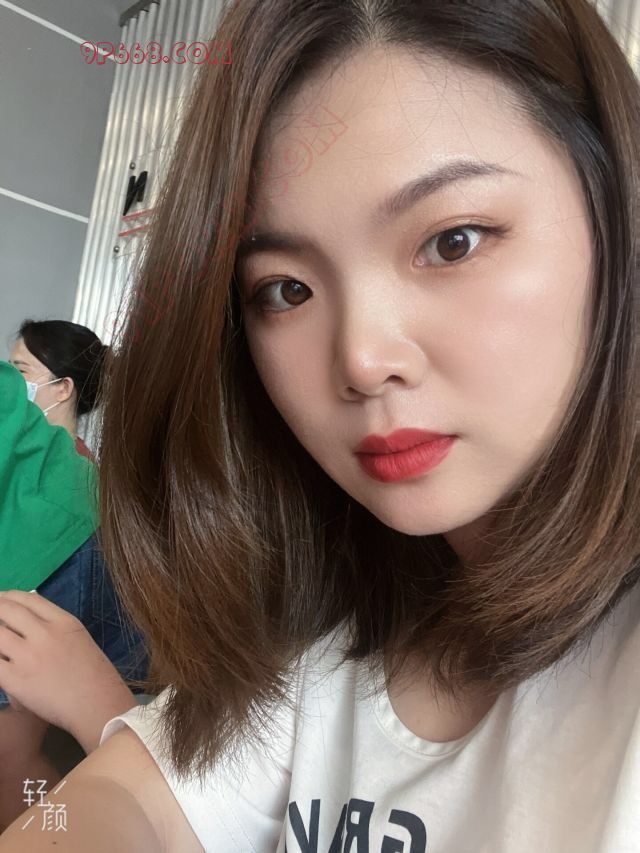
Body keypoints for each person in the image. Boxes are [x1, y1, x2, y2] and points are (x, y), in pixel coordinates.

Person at [2, 0, 639, 849]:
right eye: (286, 289)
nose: (362, 359)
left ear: (616, 218)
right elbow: (111, 804)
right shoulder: (321, 630)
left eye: (453, 241)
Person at [0, 361, 147, 830]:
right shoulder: (73, 460)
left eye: (25, 365)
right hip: (65, 525)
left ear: (64, 388)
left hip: (41, 545)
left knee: (11, 757)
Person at [9, 319, 107, 460]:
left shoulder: (74, 466)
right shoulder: (17, 448)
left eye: (21, 370)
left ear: (64, 389)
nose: (8, 378)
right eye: (9, 369)